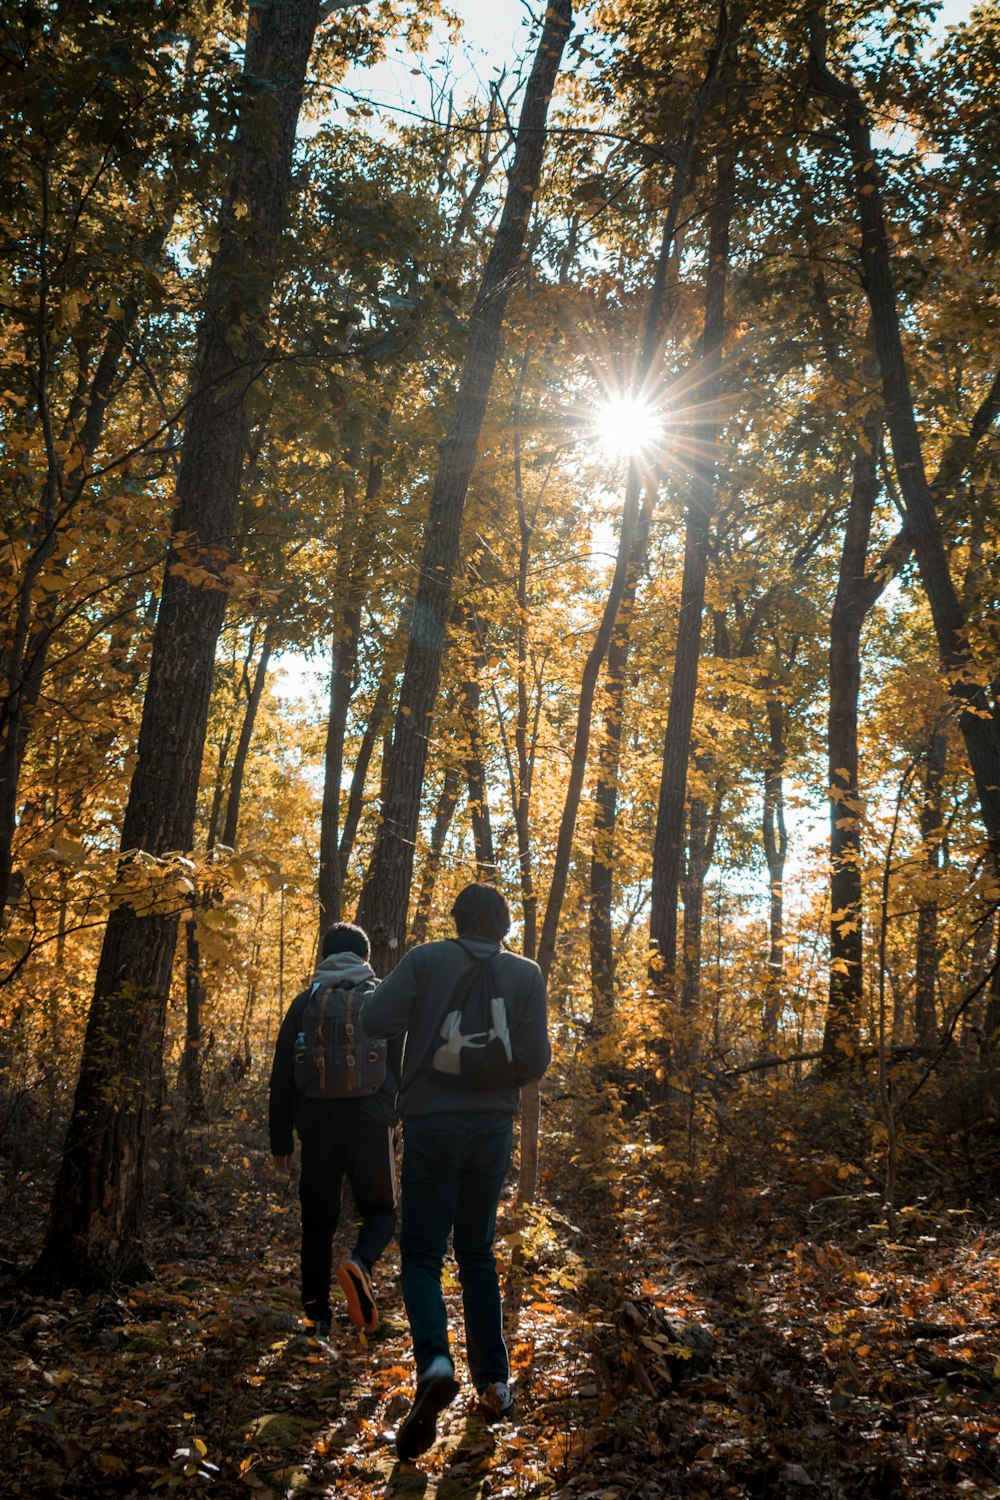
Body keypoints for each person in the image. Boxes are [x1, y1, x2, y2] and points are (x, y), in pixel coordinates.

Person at [361, 882, 550, 1462]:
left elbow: (373, 1020)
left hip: (431, 1126)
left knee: (420, 1254)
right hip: (493, 1128)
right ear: (504, 925)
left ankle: (436, 1362)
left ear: (458, 919)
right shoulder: (527, 973)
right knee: (477, 1252)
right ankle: (493, 1382)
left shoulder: (425, 959)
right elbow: (537, 1060)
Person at [269, 921, 400, 1335]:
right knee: (381, 1212)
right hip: (371, 1123)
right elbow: (402, 1065)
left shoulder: (304, 1002)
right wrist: (399, 1116)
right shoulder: (381, 1000)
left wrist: (280, 1141)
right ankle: (358, 1263)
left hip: (317, 1122)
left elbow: (282, 1077)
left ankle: (316, 1318)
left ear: (324, 956)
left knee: (318, 1221)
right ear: (366, 958)